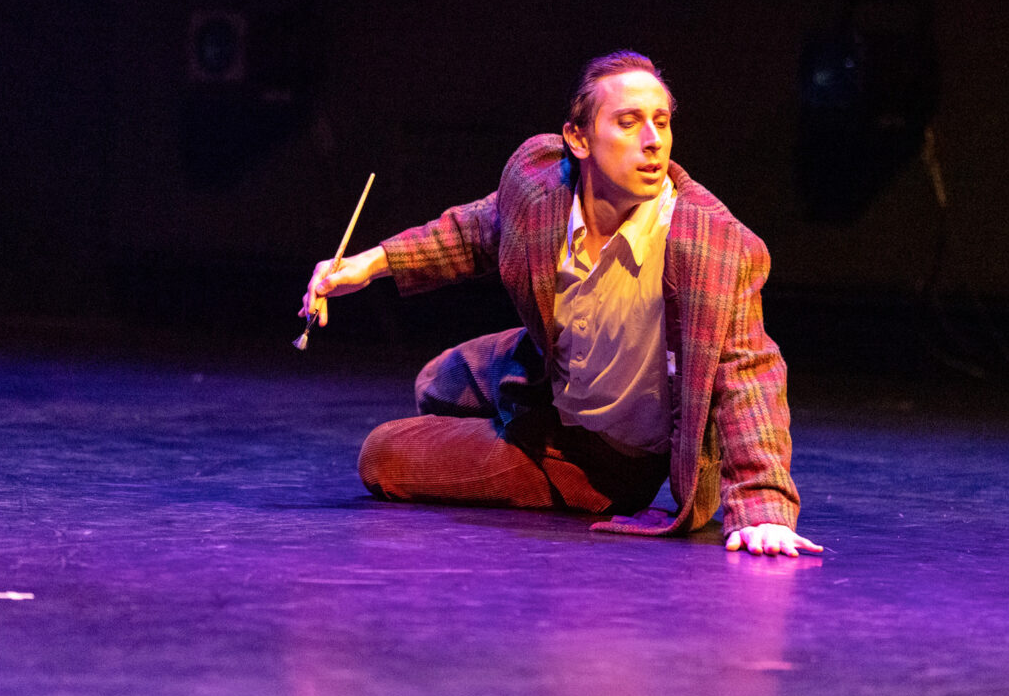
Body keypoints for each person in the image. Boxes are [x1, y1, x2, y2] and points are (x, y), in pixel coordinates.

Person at [301, 51, 820, 556]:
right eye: (629, 122)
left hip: (601, 456)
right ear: (578, 139)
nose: (653, 141)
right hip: (546, 368)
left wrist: (763, 509)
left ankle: (523, 449)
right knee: (434, 382)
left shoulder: (712, 247)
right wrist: (368, 265)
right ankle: (506, 424)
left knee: (383, 454)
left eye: (661, 123)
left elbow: (748, 370)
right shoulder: (541, 185)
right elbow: (478, 229)